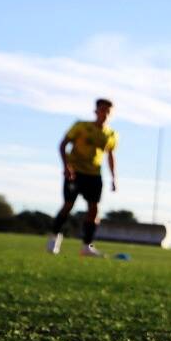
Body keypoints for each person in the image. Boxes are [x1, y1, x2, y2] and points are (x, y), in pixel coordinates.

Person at [49, 98, 118, 256]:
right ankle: (54, 238)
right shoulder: (81, 126)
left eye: (108, 111)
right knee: (68, 205)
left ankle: (87, 246)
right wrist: (66, 166)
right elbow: (63, 144)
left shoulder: (111, 134)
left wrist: (114, 178)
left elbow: (110, 156)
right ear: (96, 111)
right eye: (102, 110)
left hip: (94, 174)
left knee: (94, 210)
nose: (104, 113)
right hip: (75, 172)